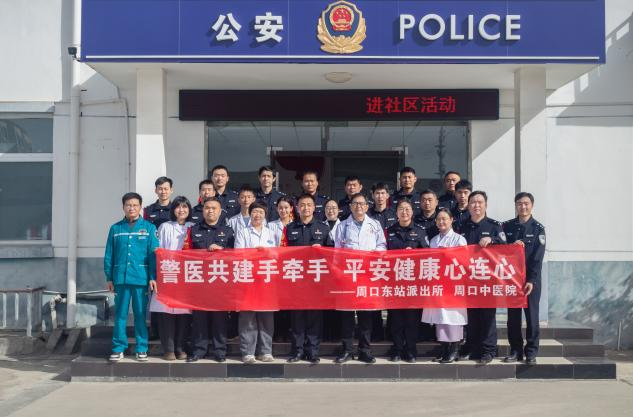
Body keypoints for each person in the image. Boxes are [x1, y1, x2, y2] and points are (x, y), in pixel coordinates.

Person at [332, 193, 387, 364]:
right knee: (347, 316)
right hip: (348, 275)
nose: (359, 207)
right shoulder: (342, 226)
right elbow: (337, 250)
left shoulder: (375, 224)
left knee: (365, 316)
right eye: (355, 203)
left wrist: (376, 253)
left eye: (362, 204)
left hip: (368, 276)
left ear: (367, 206)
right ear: (350, 207)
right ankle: (347, 350)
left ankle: (365, 350)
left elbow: (382, 245)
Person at [105, 192, 159, 362]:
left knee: (140, 315)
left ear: (140, 207)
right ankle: (118, 348)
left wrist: (152, 277)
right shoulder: (115, 228)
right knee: (120, 315)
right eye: (128, 205)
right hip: (120, 279)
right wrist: (109, 277)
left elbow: (153, 255)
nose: (132, 208)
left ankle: (141, 348)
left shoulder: (149, 228)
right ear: (123, 207)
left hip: (141, 279)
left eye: (135, 205)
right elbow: (109, 254)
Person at [182, 197, 234, 362]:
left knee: (220, 319)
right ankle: (199, 351)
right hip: (199, 282)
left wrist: (222, 250)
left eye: (214, 208)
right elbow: (185, 253)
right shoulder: (193, 230)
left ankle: (220, 351)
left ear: (220, 211)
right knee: (199, 319)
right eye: (207, 208)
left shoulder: (228, 231)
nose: (210, 211)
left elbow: (236, 256)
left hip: (220, 281)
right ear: (202, 210)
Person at [281, 193, 332, 364]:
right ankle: (297, 351)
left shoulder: (323, 228)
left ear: (314, 207)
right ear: (297, 208)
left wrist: (322, 250)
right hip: (296, 279)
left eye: (309, 205)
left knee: (314, 317)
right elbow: (282, 252)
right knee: (297, 317)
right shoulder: (289, 228)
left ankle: (313, 351)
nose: (305, 208)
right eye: (302, 205)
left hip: (316, 280)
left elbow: (332, 253)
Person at [458, 191, 507, 364]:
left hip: (488, 280)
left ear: (486, 205)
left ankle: (489, 350)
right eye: (473, 202)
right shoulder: (462, 226)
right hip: (468, 279)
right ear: (468, 205)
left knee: (487, 316)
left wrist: (492, 240)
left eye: (480, 202)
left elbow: (506, 247)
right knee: (471, 316)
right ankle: (472, 347)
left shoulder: (494, 226)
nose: (476, 205)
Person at [502, 192, 546, 365]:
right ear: (515, 206)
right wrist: (511, 246)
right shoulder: (507, 226)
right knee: (513, 318)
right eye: (519, 203)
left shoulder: (538, 228)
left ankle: (531, 352)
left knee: (532, 317)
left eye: (526, 203)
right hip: (512, 279)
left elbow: (537, 258)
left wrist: (531, 280)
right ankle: (516, 350)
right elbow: (499, 249)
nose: (523, 207)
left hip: (530, 281)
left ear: (532, 205)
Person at [148, 196, 193, 361]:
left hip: (187, 275)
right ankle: (168, 349)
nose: (181, 210)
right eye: (178, 207)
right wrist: (154, 275)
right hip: (167, 273)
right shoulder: (165, 227)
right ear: (173, 210)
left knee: (184, 313)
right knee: (165, 312)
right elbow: (157, 251)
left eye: (185, 207)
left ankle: (180, 347)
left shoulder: (193, 227)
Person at [421, 208, 468, 364]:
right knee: (440, 318)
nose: (441, 222)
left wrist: (447, 254)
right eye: (439, 219)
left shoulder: (459, 239)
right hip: (438, 285)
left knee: (453, 318)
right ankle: (444, 349)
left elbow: (463, 262)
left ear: (451, 220)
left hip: (453, 285)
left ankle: (454, 349)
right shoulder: (434, 240)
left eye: (444, 219)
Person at [386, 199, 429, 363]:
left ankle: (411, 350)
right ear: (396, 213)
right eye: (401, 209)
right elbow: (381, 253)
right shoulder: (389, 231)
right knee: (396, 319)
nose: (404, 212)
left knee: (412, 319)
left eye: (407, 209)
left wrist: (415, 253)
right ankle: (397, 349)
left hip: (413, 283)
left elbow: (428, 254)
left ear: (412, 212)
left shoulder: (420, 231)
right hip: (394, 282)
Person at [235, 201, 277, 363]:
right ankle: (248, 352)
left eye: (260, 212)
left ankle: (265, 351)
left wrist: (267, 253)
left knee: (266, 316)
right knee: (248, 316)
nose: (257, 215)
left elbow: (277, 254)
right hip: (248, 278)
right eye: (254, 212)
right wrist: (257, 254)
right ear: (250, 214)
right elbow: (239, 254)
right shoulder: (243, 232)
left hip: (266, 279)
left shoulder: (271, 233)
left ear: (265, 215)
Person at [267, 196, 295, 342]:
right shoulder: (271, 225)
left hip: (292, 267)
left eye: (286, 207)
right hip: (276, 267)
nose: (283, 210)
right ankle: (278, 332)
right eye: (280, 208)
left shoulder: (296, 224)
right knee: (278, 300)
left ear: (291, 208)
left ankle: (290, 330)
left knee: (290, 299)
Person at [322, 199, 341, 342]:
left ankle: (336, 334)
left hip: (339, 270)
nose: (331, 210)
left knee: (337, 303)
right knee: (325, 302)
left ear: (338, 210)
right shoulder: (319, 226)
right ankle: (325, 333)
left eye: (334, 208)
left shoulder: (344, 226)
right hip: (323, 270)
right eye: (328, 208)